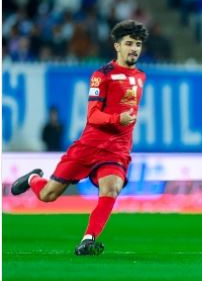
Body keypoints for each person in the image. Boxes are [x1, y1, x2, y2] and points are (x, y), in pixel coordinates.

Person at [11, 20, 149, 256]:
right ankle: (34, 178)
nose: (134, 48)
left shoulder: (141, 77)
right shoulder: (101, 76)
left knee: (111, 188)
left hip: (117, 150)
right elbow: (93, 116)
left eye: (137, 44)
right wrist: (118, 119)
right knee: (48, 195)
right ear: (117, 46)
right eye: (129, 43)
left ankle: (88, 239)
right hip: (90, 145)